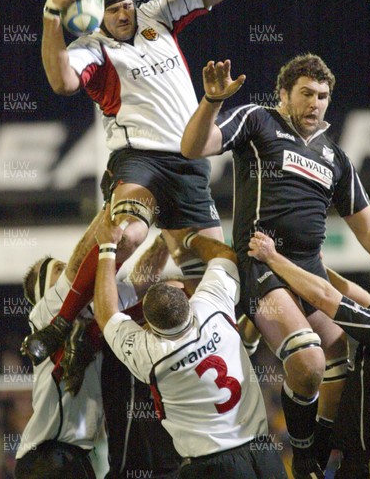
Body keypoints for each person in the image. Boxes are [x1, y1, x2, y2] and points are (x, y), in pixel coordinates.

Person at [180, 56, 370, 478]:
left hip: (308, 272)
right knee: (309, 362)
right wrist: (211, 100)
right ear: (284, 94)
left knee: (341, 363)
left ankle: (314, 455)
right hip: (263, 265)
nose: (315, 103)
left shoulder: (335, 158)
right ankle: (301, 455)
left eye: (323, 96)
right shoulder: (259, 121)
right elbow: (194, 147)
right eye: (306, 93)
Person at [23, 0, 234, 367]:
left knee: (220, 270)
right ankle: (62, 322)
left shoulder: (156, 14)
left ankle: (212, 353)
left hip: (190, 163)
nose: (123, 14)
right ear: (99, 13)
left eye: (127, 6)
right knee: (130, 233)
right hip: (139, 159)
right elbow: (61, 83)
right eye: (114, 8)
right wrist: (51, 13)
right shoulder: (91, 48)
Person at [93, 204, 288, 479]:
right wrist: (186, 238)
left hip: (211, 466)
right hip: (263, 453)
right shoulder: (211, 306)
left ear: (149, 325)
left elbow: (106, 314)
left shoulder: (151, 353)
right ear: (187, 301)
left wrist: (106, 248)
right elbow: (224, 254)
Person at [18, 212, 181, 478]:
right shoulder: (46, 312)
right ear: (42, 294)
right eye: (59, 270)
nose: (71, 268)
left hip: (76, 460)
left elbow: (141, 279)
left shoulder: (96, 310)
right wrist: (117, 205)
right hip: (46, 459)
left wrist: (165, 235)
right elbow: (87, 257)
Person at [248, 231, 370, 479]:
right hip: (360, 463)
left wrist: (272, 257)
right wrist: (313, 265)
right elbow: (344, 289)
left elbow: (325, 297)